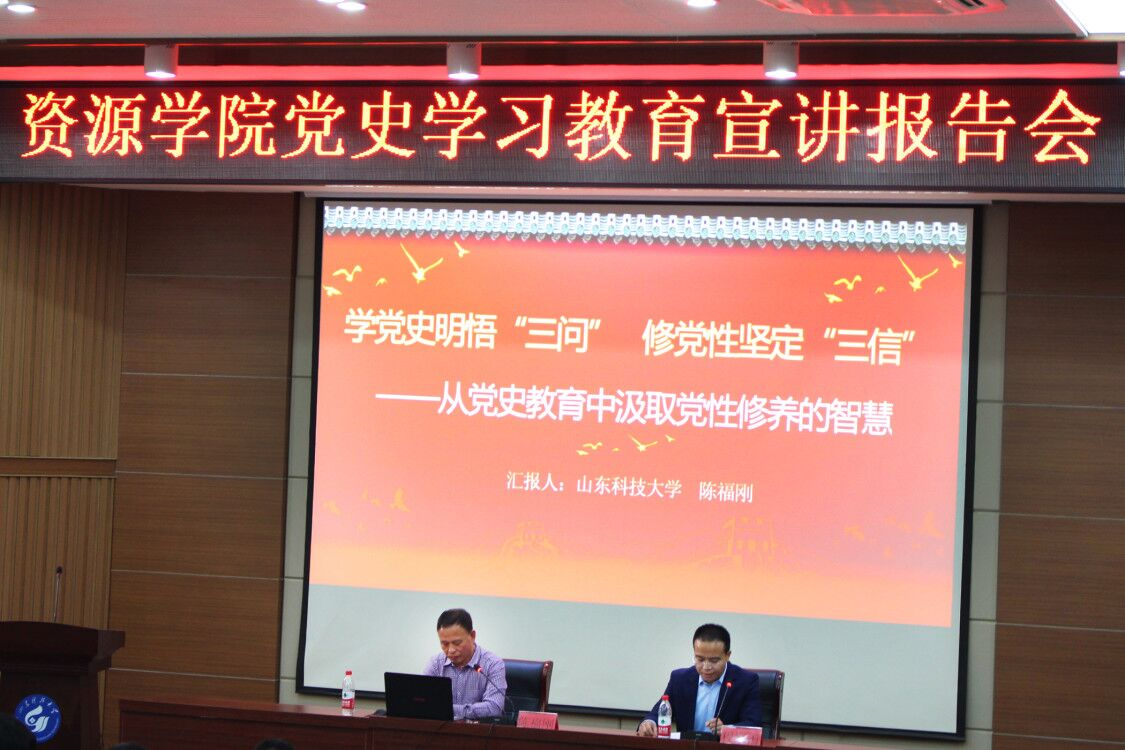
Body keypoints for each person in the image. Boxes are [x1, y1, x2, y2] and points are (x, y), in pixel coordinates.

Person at [637, 623, 761, 737]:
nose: (706, 667)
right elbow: (658, 713)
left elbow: (753, 724)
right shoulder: (679, 679)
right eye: (700, 659)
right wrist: (649, 722)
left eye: (714, 661)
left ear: (727, 655)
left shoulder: (746, 681)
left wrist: (727, 730)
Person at [422, 608, 506, 721]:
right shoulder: (435, 664)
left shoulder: (493, 664)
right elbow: (423, 702)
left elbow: (494, 707)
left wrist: (448, 709)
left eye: (457, 643)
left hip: (477, 731)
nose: (451, 650)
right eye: (444, 644)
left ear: (472, 636)